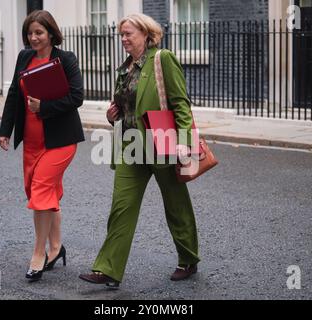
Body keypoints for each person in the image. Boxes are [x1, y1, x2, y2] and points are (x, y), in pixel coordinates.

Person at [79, 13, 200, 289]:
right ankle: (108, 268)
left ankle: (188, 258)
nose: (123, 39)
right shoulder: (125, 67)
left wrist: (183, 139)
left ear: (146, 34)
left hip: (161, 142)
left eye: (128, 34)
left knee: (175, 203)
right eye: (121, 34)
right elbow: (122, 106)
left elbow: (181, 103)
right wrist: (113, 114)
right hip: (131, 146)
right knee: (121, 207)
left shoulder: (162, 59)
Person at [0, 10, 84, 282]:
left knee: (41, 191)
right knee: (43, 196)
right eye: (30, 33)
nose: (33, 38)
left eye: (39, 32)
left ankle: (39, 254)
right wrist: (5, 129)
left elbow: (77, 97)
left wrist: (44, 107)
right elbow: (14, 93)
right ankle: (56, 248)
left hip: (60, 140)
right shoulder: (24, 57)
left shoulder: (65, 59)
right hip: (32, 142)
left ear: (50, 33)